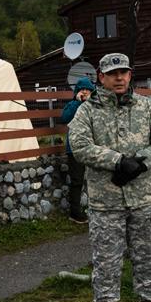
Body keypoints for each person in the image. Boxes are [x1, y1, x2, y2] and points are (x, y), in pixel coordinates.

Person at [68, 52, 151, 302]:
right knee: (106, 264)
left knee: (148, 261)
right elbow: (79, 145)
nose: (119, 78)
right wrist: (117, 161)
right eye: (112, 73)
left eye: (123, 72)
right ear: (101, 77)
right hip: (106, 204)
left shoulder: (146, 106)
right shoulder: (87, 111)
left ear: (130, 75)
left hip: (143, 200)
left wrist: (141, 162)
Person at [59, 75, 96, 223]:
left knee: (97, 179)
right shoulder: (72, 104)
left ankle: (97, 209)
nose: (85, 91)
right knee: (77, 181)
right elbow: (65, 118)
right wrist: (77, 102)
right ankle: (75, 213)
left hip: (93, 147)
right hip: (74, 149)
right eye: (82, 89)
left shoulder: (95, 105)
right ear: (77, 91)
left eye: (88, 89)